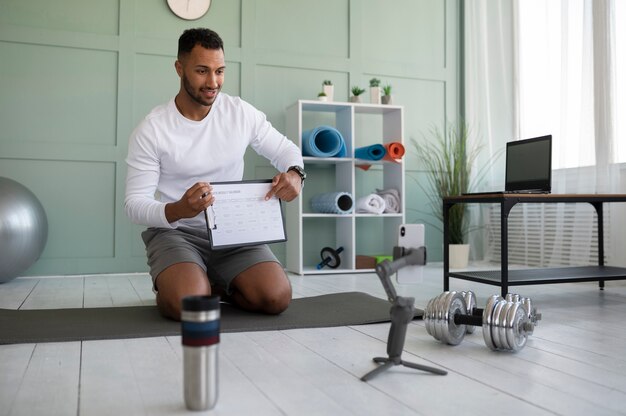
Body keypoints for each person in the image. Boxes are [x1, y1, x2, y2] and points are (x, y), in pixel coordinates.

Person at [124, 28, 305, 321]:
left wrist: (296, 174)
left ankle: (213, 283)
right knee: (190, 305)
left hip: (233, 230)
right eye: (202, 71)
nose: (213, 82)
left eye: (220, 71)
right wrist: (179, 209)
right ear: (179, 68)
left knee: (276, 297)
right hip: (176, 233)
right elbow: (134, 205)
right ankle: (189, 281)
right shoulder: (152, 129)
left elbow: (286, 151)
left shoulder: (240, 113)